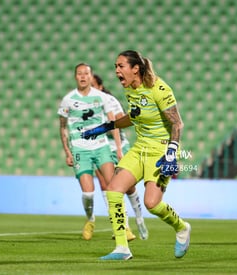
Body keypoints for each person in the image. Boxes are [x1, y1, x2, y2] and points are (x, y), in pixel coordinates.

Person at [82, 50, 191, 260]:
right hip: (139, 148)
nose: (116, 71)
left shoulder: (158, 88)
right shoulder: (130, 90)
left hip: (160, 150)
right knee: (113, 190)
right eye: (115, 66)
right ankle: (122, 248)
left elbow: (177, 122)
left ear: (135, 69)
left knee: (152, 204)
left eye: (121, 66)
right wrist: (107, 126)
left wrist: (171, 153)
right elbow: (134, 116)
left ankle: (182, 227)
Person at [58, 63, 137, 240]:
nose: (83, 77)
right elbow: (62, 127)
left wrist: (117, 148)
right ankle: (90, 220)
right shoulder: (68, 100)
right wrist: (67, 151)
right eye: (79, 74)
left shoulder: (102, 97)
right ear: (75, 77)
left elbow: (112, 123)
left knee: (113, 188)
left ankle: (124, 227)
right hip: (80, 148)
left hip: (101, 147)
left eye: (86, 73)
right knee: (88, 193)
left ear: (90, 75)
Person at [91, 74, 148, 240]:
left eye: (94, 85)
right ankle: (123, 227)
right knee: (105, 186)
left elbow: (116, 124)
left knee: (128, 187)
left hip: (118, 147)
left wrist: (118, 148)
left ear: (100, 86)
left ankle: (139, 218)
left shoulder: (110, 101)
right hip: (99, 148)